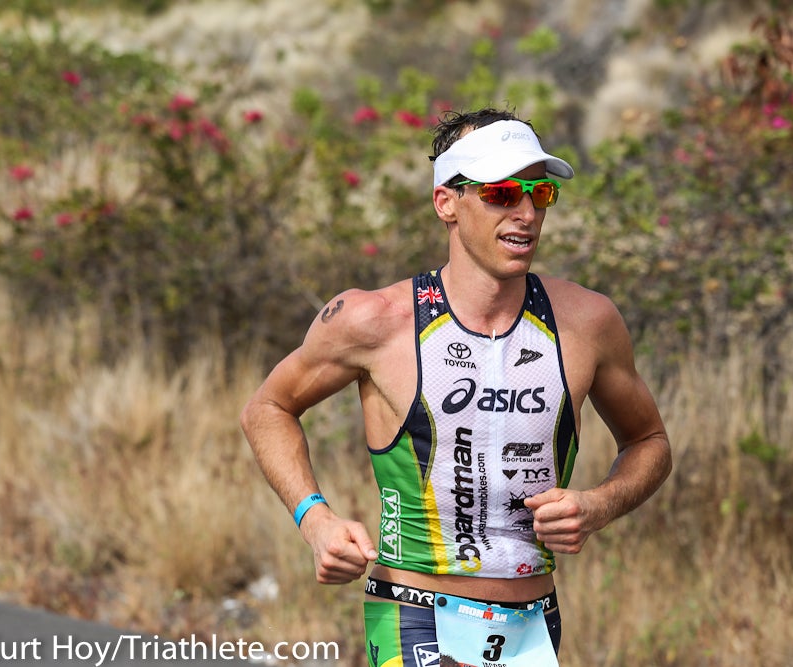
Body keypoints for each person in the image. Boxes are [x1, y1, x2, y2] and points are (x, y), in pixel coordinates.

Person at [240, 107, 672, 666]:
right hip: (415, 610)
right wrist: (315, 520)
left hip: (531, 625)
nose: (525, 214)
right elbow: (268, 408)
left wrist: (597, 505)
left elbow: (650, 442)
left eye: (539, 195)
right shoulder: (374, 320)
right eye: (501, 193)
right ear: (447, 202)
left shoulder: (588, 322)